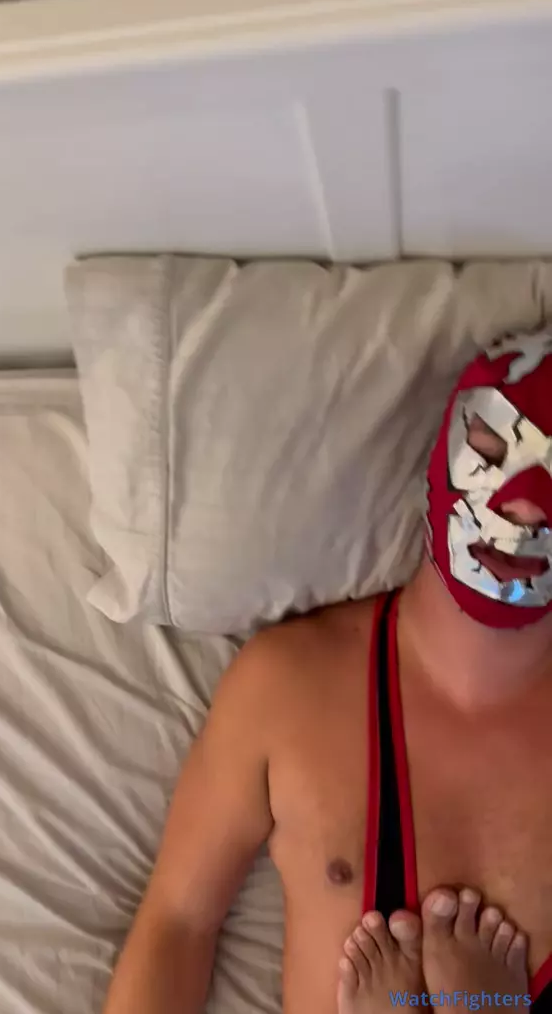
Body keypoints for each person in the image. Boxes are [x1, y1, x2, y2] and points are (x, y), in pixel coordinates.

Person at [103, 330, 552, 1014]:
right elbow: (178, 923)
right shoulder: (288, 688)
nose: (524, 505)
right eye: (492, 452)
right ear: (442, 458)